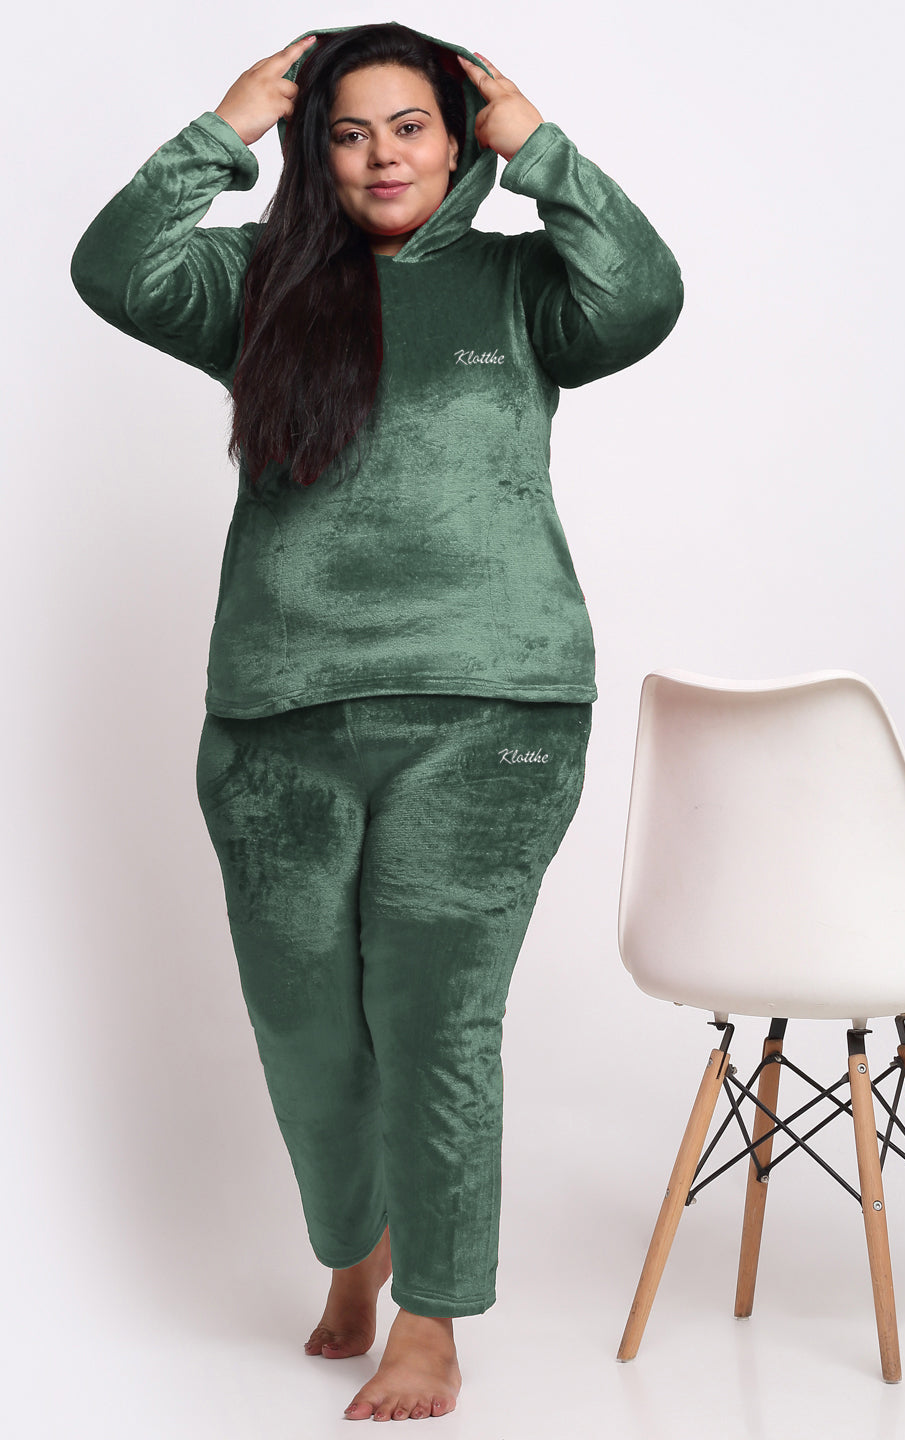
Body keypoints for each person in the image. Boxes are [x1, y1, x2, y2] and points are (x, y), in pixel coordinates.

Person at [70, 20, 683, 1423]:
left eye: (410, 127)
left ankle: (432, 1317)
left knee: (432, 1016)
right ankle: (355, 1248)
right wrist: (224, 126)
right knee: (301, 1022)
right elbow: (115, 268)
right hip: (276, 713)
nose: (381, 157)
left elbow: (644, 296)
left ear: (458, 141)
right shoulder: (257, 283)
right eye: (348, 134)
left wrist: (546, 149)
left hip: (492, 707)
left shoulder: (523, 286)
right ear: (316, 151)